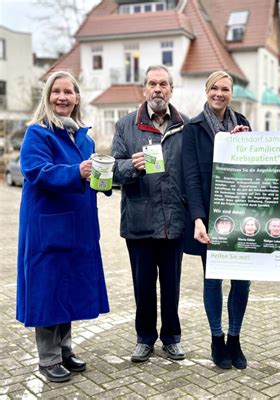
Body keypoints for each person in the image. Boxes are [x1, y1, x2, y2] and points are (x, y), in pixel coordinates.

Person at [16, 71, 110, 383]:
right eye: (56, 92)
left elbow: (90, 177)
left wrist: (108, 178)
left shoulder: (84, 137)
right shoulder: (37, 133)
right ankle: (48, 358)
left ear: (77, 98)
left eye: (68, 92)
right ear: (48, 97)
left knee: (67, 287)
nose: (62, 97)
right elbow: (37, 171)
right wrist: (77, 171)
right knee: (49, 289)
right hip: (49, 228)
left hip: (79, 228)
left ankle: (65, 349)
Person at [112, 65, 188, 363]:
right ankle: (144, 338)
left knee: (171, 285)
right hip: (139, 220)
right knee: (143, 286)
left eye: (164, 84)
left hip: (173, 220)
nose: (158, 89)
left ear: (171, 89)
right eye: (152, 84)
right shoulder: (126, 125)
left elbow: (193, 170)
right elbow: (113, 169)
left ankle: (171, 337)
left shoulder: (185, 126)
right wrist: (134, 166)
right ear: (144, 89)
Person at [182, 70, 252, 369]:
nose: (219, 94)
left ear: (231, 93)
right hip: (211, 217)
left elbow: (256, 171)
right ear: (206, 90)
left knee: (242, 281)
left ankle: (235, 339)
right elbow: (191, 177)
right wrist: (198, 218)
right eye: (215, 88)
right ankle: (216, 339)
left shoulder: (244, 125)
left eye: (225, 89)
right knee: (213, 280)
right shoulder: (193, 127)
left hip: (243, 216)